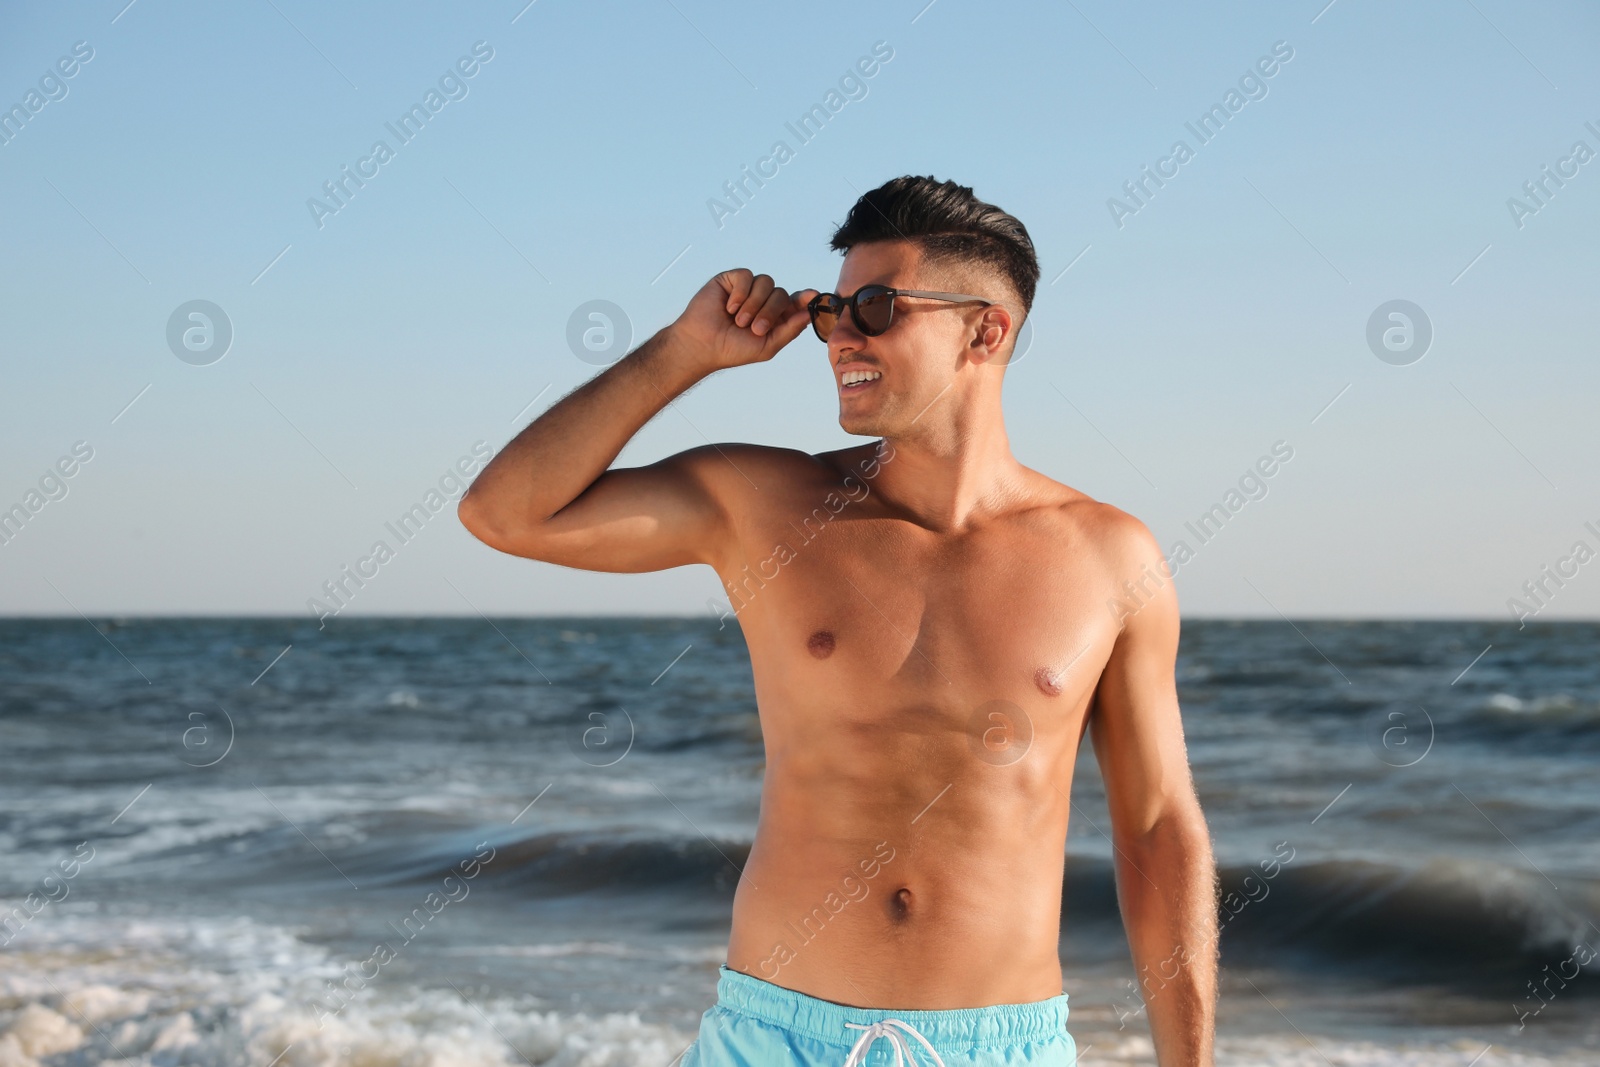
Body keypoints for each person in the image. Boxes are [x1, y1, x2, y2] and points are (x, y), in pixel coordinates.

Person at [459, 175, 1217, 1066]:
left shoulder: (1110, 558)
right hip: (774, 1037)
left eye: (873, 304)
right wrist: (684, 351)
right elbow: (505, 512)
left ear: (986, 328)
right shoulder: (767, 505)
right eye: (831, 310)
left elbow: (1158, 824)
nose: (840, 335)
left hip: (997, 1048)